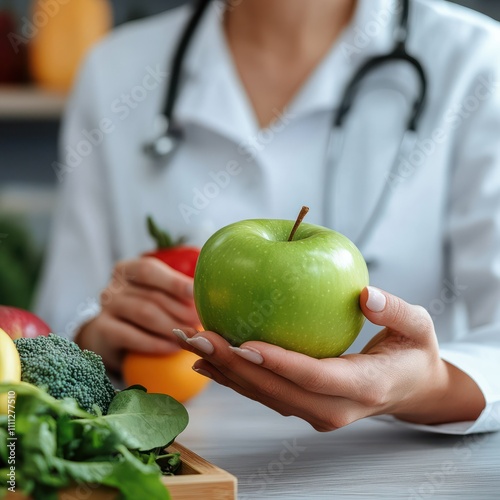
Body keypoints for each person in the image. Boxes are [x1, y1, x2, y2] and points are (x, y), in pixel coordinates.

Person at [36, 0, 500, 435]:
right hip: (177, 458)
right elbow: (58, 322)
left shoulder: (477, 60)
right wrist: (105, 337)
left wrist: (432, 385)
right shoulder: (115, 70)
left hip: (389, 465)